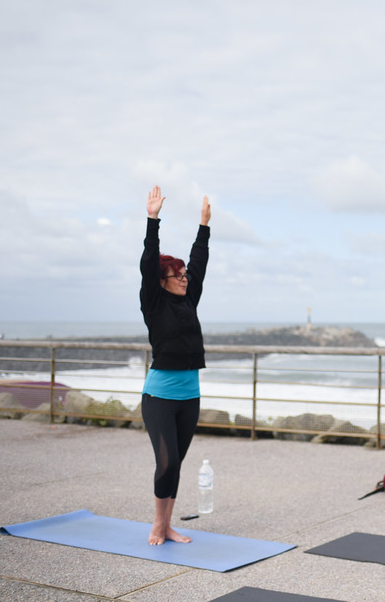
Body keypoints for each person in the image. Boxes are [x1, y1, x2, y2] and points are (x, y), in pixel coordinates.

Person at [139, 185, 211, 545]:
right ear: (163, 282)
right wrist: (153, 220)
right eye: (178, 275)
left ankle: (168, 525)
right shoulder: (153, 302)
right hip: (161, 395)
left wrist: (204, 227)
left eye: (185, 275)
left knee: (176, 464)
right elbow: (149, 262)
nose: (185, 278)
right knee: (165, 462)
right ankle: (157, 523)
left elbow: (199, 263)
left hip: (190, 393)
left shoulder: (189, 300)